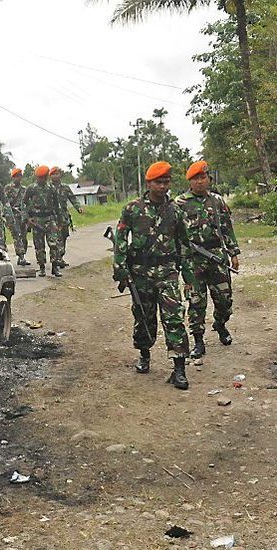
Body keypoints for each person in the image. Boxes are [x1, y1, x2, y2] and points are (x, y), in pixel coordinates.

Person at [112, 161, 190, 389]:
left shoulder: (175, 210)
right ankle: (144, 355)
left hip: (167, 273)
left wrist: (187, 274)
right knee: (144, 317)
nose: (163, 186)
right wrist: (121, 270)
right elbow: (120, 241)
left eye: (166, 182)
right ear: (148, 183)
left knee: (174, 317)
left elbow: (183, 243)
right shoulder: (132, 208)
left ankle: (179, 368)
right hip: (140, 273)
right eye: (158, 182)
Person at [175, 161, 240, 358]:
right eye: (196, 179)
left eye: (203, 178)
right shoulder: (180, 203)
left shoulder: (217, 201)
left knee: (224, 300)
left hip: (217, 258)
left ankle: (220, 324)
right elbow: (173, 233)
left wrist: (233, 252)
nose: (200, 182)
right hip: (193, 261)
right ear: (190, 181)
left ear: (209, 180)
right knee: (196, 302)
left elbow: (227, 228)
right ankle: (198, 341)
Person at [23, 165, 64, 277]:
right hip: (36, 220)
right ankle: (42, 267)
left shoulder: (51, 188)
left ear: (46, 177)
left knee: (54, 244)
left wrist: (60, 221)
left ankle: (55, 267)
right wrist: (27, 218)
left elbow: (57, 205)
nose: (40, 179)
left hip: (49, 219)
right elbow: (24, 203)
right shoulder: (31, 188)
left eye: (42, 177)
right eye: (38, 177)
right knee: (39, 246)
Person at [50, 166, 84, 268]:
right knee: (55, 238)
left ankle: (60, 256)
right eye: (53, 174)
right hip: (52, 217)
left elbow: (72, 198)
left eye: (57, 173)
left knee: (64, 236)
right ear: (50, 176)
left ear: (60, 174)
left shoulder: (65, 187)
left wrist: (78, 208)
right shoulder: (48, 188)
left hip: (64, 216)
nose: (55, 176)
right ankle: (57, 258)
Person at [4, 168, 31, 266]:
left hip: (23, 215)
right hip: (13, 215)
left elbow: (28, 202)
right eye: (16, 176)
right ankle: (21, 256)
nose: (18, 178)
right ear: (13, 177)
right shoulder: (8, 188)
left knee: (24, 236)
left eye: (20, 176)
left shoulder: (24, 189)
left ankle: (22, 256)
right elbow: (4, 202)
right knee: (17, 235)